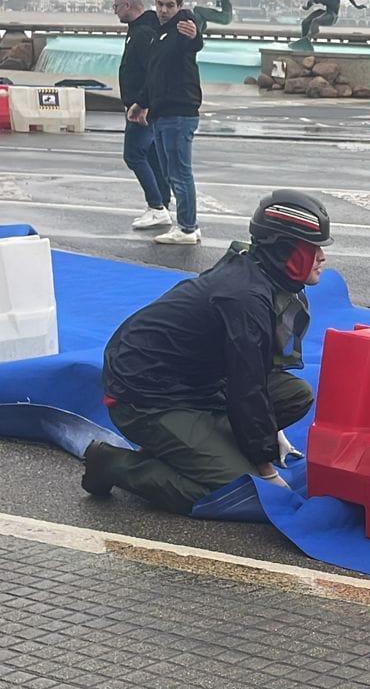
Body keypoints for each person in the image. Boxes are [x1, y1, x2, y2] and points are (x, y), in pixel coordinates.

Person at [82, 191, 333, 513]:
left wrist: (271, 432)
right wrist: (264, 468)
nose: (323, 257)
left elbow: (255, 376)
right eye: (314, 248)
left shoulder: (259, 271)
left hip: (195, 384)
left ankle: (191, 447)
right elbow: (247, 388)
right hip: (146, 396)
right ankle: (113, 463)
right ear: (286, 250)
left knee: (295, 394)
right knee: (240, 492)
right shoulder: (244, 298)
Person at [143, 0, 206, 247]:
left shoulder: (183, 25)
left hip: (179, 112)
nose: (164, 9)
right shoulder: (161, 32)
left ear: (179, 6)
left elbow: (194, 41)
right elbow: (156, 73)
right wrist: (142, 103)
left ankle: (188, 228)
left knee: (180, 172)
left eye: (170, 5)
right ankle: (187, 224)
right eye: (160, 4)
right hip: (162, 111)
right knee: (172, 172)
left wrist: (195, 35)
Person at [112, 0, 173, 232]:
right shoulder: (139, 30)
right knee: (152, 156)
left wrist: (143, 104)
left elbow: (153, 72)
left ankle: (156, 206)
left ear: (127, 6)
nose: (114, 11)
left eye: (116, 7)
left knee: (134, 155)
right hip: (140, 104)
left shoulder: (142, 33)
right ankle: (163, 204)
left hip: (141, 107)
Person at [300, 0, 364, 44]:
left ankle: (310, 36)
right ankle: (303, 39)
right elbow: (311, 1)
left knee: (315, 21)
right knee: (305, 22)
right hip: (327, 12)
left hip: (333, 16)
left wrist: (356, 6)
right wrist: (307, 7)